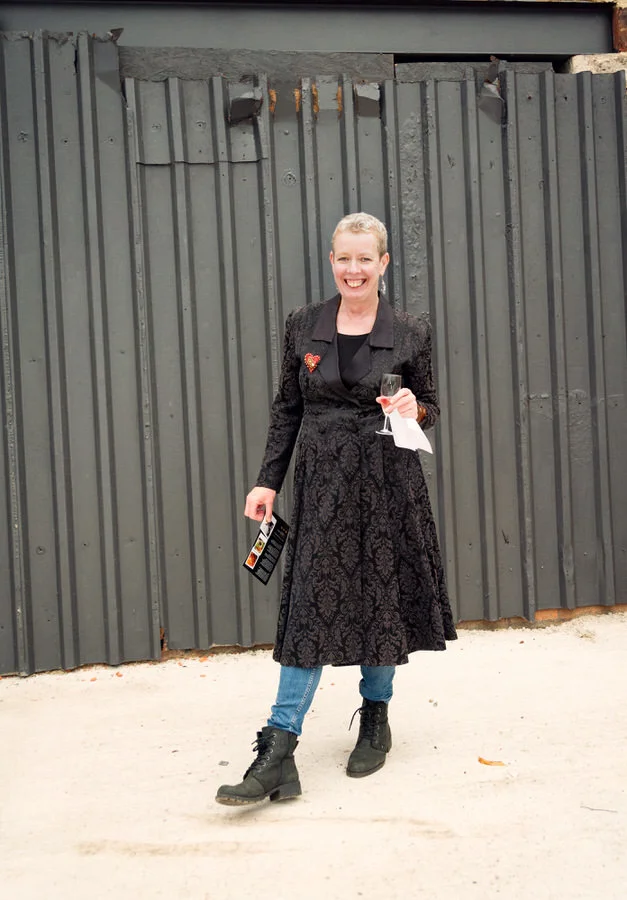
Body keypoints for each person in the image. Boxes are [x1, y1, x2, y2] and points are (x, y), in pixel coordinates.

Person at [216, 212, 457, 806]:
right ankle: (279, 749)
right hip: (322, 484)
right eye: (344, 258)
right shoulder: (303, 325)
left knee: (383, 597)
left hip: (387, 481)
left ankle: (375, 716)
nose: (354, 269)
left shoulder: (411, 331)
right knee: (308, 608)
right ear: (331, 261)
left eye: (365, 259)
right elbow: (287, 408)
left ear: (383, 263)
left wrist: (416, 409)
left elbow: (430, 406)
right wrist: (267, 482)